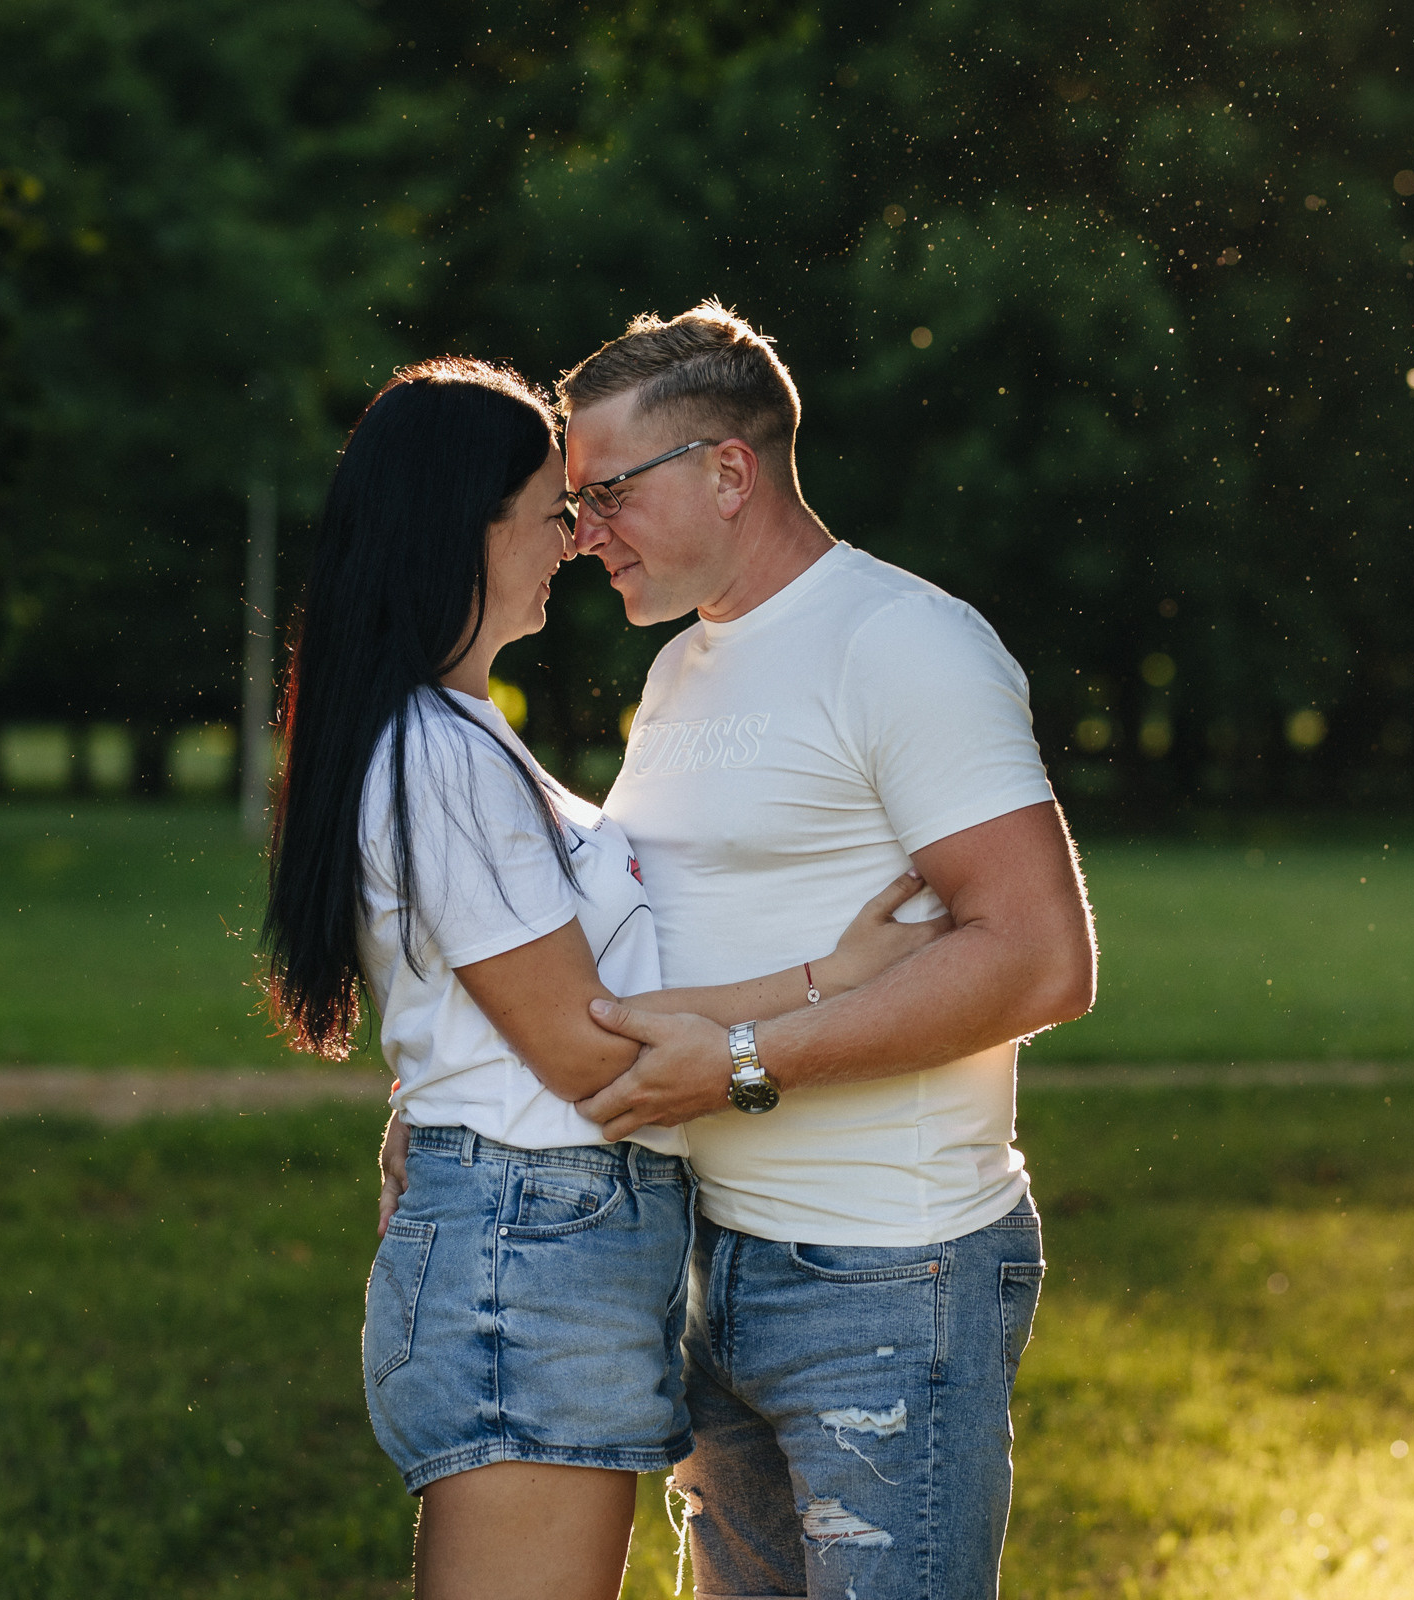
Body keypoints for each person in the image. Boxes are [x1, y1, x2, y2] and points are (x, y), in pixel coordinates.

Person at [260, 356, 945, 1600]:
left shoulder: (462, 738)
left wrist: (434, 1092)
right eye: (551, 512)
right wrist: (828, 981)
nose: (576, 541)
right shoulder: (439, 755)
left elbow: (520, 1006)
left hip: (553, 1245)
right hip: (532, 1252)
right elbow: (586, 1049)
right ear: (467, 531)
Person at [555, 302, 1098, 1599]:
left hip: (886, 1277)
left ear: (728, 471)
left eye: (609, 494)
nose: (582, 535)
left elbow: (1040, 958)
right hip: (708, 1260)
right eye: (574, 504)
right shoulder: (681, 672)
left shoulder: (903, 644)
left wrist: (746, 1061)